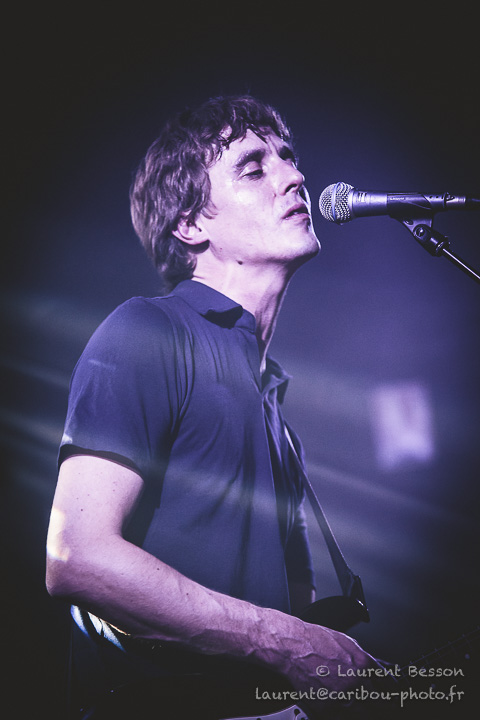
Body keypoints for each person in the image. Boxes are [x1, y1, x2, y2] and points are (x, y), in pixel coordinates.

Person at [46, 95, 381, 719]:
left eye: (289, 158)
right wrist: (285, 641)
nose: (294, 176)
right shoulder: (147, 331)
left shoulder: (274, 405)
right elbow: (77, 557)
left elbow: (296, 618)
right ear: (191, 224)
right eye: (254, 168)